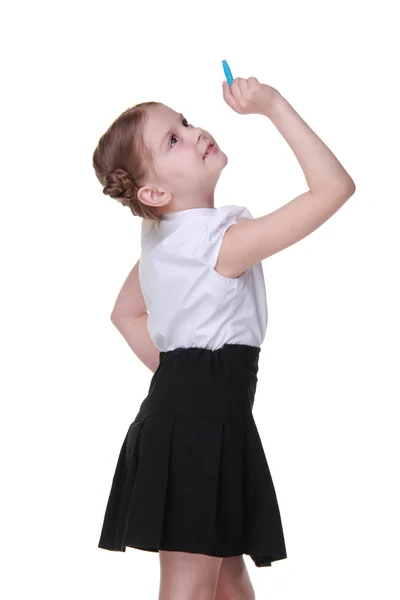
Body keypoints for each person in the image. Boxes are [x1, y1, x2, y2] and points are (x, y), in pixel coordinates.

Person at [92, 77, 356, 600]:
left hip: (195, 419)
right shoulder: (223, 244)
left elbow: (126, 313)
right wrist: (274, 106)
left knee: (230, 581)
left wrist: (185, 378)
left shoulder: (163, 242)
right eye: (172, 140)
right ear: (153, 193)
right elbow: (334, 189)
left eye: (185, 123)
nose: (193, 134)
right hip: (199, 428)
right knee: (189, 588)